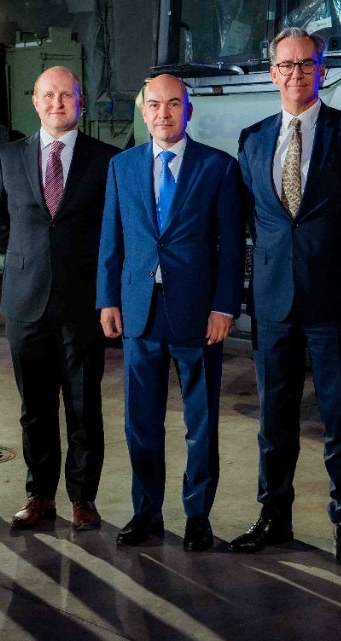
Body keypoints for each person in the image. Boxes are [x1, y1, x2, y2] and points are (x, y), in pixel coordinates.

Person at [232, 28, 341, 563]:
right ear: (271, 73)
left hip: (333, 303)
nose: (295, 74)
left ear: (321, 71)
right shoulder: (253, 139)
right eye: (286, 65)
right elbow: (252, 220)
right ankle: (273, 516)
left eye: (306, 64)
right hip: (273, 303)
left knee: (340, 419)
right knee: (274, 421)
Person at [97, 74, 244, 552]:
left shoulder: (218, 168)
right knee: (141, 422)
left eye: (174, 104)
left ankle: (197, 515)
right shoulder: (121, 167)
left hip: (198, 314)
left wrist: (224, 306)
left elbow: (230, 247)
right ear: (144, 113)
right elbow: (111, 240)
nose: (164, 113)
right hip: (139, 311)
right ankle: (146, 512)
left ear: (188, 111)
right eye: (155, 105)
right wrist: (107, 299)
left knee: (200, 421)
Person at [0, 66, 119, 532]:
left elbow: (113, 228)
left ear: (80, 101)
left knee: (84, 406)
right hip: (25, 301)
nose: (57, 102)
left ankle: (83, 499)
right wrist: (27, 258)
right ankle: (39, 495)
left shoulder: (107, 159)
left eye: (66, 94)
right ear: (35, 101)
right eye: (48, 94)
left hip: (83, 303)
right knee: (35, 408)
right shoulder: (8, 156)